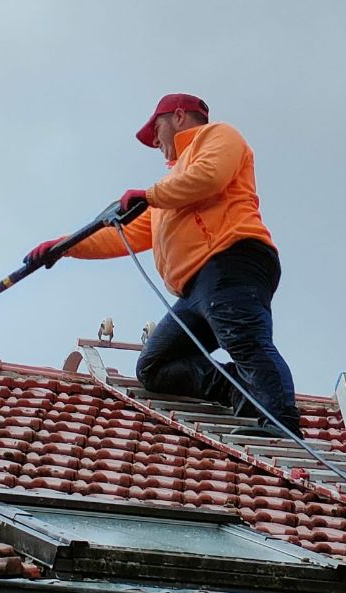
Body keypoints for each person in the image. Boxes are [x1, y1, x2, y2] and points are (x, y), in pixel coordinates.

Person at [25, 93, 302, 438]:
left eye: (156, 129)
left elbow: (210, 176)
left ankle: (281, 423)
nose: (154, 141)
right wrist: (64, 247)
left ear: (179, 117)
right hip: (196, 288)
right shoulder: (166, 196)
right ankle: (239, 391)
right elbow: (120, 236)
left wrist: (150, 195)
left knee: (246, 341)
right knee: (155, 365)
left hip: (232, 260)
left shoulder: (217, 137)